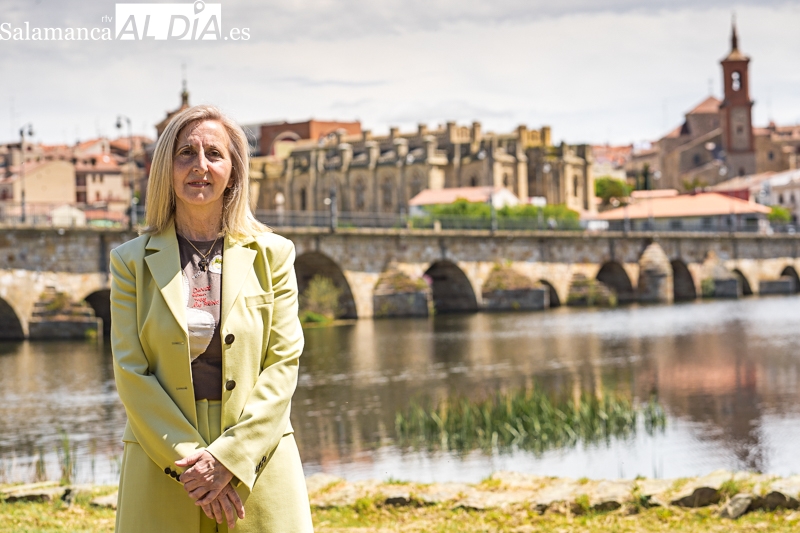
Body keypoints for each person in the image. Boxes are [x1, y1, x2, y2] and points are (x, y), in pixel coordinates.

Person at [110, 104, 313, 532]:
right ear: (166, 169)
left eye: (214, 154)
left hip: (257, 462)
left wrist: (229, 459)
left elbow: (283, 364)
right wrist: (194, 465)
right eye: (186, 153)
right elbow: (130, 373)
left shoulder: (274, 254)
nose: (200, 166)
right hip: (163, 465)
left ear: (234, 171)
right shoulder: (130, 263)